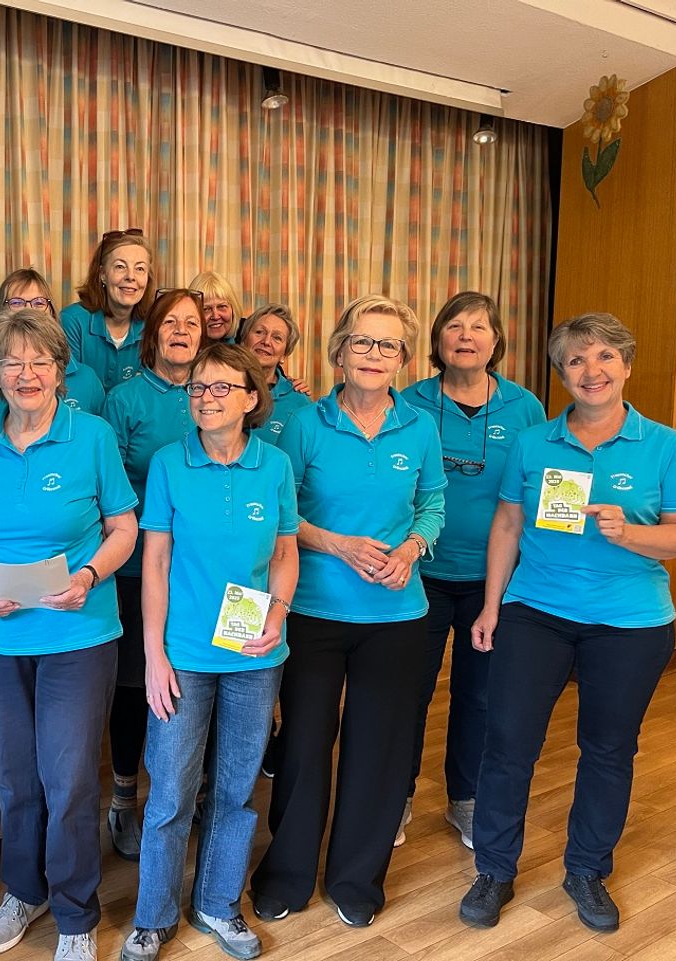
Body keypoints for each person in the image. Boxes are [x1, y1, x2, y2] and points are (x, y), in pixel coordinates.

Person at [458, 313, 676, 933]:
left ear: (625, 366)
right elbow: (508, 525)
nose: (590, 371)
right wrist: (492, 606)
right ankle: (494, 869)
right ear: (562, 373)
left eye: (603, 358)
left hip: (630, 623)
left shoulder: (665, 445)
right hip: (536, 612)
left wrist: (631, 532)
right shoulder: (535, 443)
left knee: (608, 749)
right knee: (508, 745)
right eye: (574, 361)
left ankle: (587, 869)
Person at [0, 308, 139, 961]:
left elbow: (123, 528)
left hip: (77, 633)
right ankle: (23, 890)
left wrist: (86, 575)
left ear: (61, 371)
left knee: (71, 778)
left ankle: (77, 915)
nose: (26, 372)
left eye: (40, 361)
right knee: (14, 777)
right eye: (12, 361)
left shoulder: (93, 437)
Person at [249, 294, 446, 929]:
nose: (373, 354)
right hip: (313, 611)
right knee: (305, 744)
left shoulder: (419, 427)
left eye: (387, 346)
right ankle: (287, 872)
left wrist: (414, 547)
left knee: (379, 749)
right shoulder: (307, 423)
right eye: (362, 342)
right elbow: (284, 517)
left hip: (396, 613)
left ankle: (356, 877)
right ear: (340, 352)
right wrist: (336, 543)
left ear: (403, 360)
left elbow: (435, 501)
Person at [119, 343, 298, 961]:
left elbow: (283, 552)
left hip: (255, 653)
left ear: (252, 399)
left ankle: (219, 904)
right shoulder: (170, 463)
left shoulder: (274, 465)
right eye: (198, 387)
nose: (207, 397)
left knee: (236, 790)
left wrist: (277, 615)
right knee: (168, 792)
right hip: (183, 656)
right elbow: (157, 561)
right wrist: (154, 655)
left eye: (222, 387)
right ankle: (152, 916)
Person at [397, 292, 545, 849]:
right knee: (409, 692)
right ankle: (399, 798)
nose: (465, 335)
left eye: (478, 327)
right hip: (420, 574)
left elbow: (535, 491)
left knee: (479, 695)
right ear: (437, 340)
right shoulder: (408, 403)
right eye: (454, 326)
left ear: (495, 341)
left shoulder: (525, 408)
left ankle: (465, 799)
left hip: (496, 581)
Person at [101, 289, 205, 860]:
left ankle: (182, 794)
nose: (182, 331)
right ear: (154, 333)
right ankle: (123, 797)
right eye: (172, 323)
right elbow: (109, 489)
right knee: (133, 686)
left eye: (192, 323)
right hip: (136, 564)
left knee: (191, 680)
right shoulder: (125, 399)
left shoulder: (214, 396)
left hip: (201, 570)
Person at [0, 269, 106, 417]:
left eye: (39, 303)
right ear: (0, 312)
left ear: (52, 313)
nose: (29, 311)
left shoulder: (87, 379)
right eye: (17, 302)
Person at [61, 230, 157, 390]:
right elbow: (72, 389)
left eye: (140, 269)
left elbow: (144, 394)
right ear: (102, 274)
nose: (131, 277)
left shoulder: (153, 325)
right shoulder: (72, 321)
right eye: (120, 266)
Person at [237, 303, 312, 445]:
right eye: (259, 332)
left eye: (277, 338)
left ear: (284, 354)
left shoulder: (299, 402)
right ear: (243, 340)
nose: (266, 341)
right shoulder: (220, 388)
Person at [190, 271, 243, 343]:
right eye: (206, 309)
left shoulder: (247, 339)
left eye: (222, 306)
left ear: (233, 309)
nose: (215, 316)